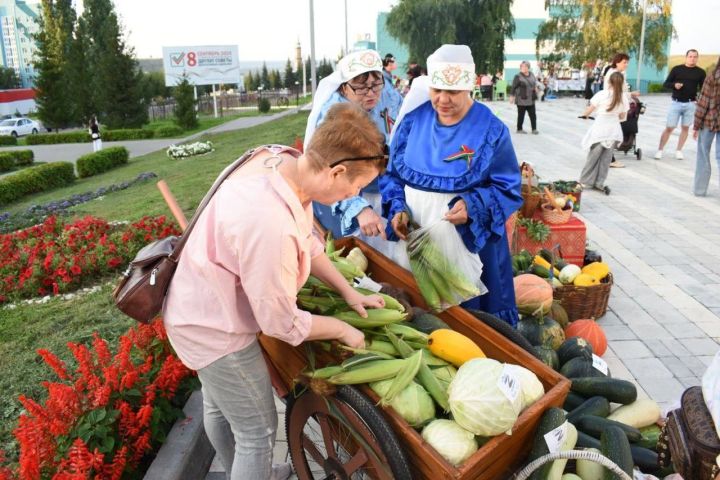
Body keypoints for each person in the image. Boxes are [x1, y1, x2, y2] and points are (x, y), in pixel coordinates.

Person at [163, 103, 388, 480]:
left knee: (220, 408)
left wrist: (348, 291)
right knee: (258, 433)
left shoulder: (282, 160)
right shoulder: (268, 222)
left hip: (193, 302)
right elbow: (280, 323)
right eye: (358, 186)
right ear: (336, 172)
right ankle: (251, 469)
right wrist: (342, 329)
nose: (356, 193)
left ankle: (246, 470)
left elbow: (308, 241)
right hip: (214, 329)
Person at [380, 44, 523, 326]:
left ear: (469, 87)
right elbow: (393, 177)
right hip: (416, 238)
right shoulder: (412, 123)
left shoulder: (491, 129)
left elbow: (507, 188)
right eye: (436, 90)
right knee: (421, 316)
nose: (443, 99)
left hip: (466, 240)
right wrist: (397, 207)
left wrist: (473, 205)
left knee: (468, 319)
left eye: (453, 92)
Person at [304, 49, 400, 242]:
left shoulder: (387, 92)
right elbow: (327, 170)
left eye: (376, 85)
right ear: (343, 88)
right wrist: (357, 207)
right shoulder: (333, 115)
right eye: (361, 88)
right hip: (349, 191)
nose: (371, 94)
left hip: (385, 183)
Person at [578, 72, 630, 195]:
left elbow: (589, 110)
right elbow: (623, 116)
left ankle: (585, 181)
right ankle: (599, 182)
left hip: (600, 130)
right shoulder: (623, 98)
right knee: (606, 160)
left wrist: (584, 115)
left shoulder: (601, 94)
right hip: (613, 131)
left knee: (593, 158)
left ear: (609, 82)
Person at [654, 49, 707, 160]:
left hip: (690, 104)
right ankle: (660, 150)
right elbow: (666, 84)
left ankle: (679, 150)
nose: (692, 58)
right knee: (669, 127)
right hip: (676, 103)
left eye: (695, 57)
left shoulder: (701, 72)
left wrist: (700, 100)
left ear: (697, 58)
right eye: (690, 56)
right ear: (686, 57)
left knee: (685, 128)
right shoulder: (677, 69)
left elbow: (703, 89)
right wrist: (675, 85)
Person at [602, 53, 640, 168]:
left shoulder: (618, 72)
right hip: (614, 106)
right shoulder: (614, 74)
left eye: (627, 62)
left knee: (611, 132)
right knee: (612, 133)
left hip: (614, 105)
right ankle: (610, 159)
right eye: (624, 62)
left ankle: (608, 157)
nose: (626, 64)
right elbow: (616, 91)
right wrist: (631, 94)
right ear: (617, 62)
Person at [692, 57, 719, 196]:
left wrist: (696, 125)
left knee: (703, 155)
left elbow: (703, 102)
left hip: (709, 120)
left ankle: (699, 190)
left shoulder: (712, 77)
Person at [511, 60, 540, 134]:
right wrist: (512, 96)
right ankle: (519, 129)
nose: (523, 67)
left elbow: (534, 83)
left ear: (528, 67)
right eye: (521, 66)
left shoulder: (532, 74)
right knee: (521, 115)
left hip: (531, 98)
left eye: (524, 66)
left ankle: (534, 129)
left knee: (533, 115)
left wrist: (536, 88)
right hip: (521, 99)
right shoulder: (517, 76)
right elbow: (513, 87)